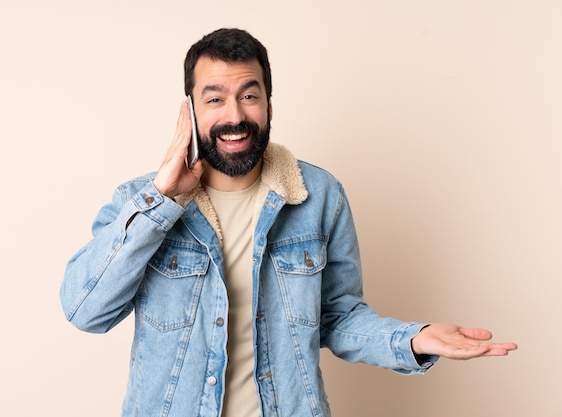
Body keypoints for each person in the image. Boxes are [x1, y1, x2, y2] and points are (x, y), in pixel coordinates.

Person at [60, 28, 517, 417]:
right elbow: (86, 311)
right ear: (190, 111)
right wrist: (161, 199)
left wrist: (413, 340)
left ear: (270, 106)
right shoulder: (139, 203)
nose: (235, 116)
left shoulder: (319, 196)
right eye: (214, 99)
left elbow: (338, 318)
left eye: (249, 96)